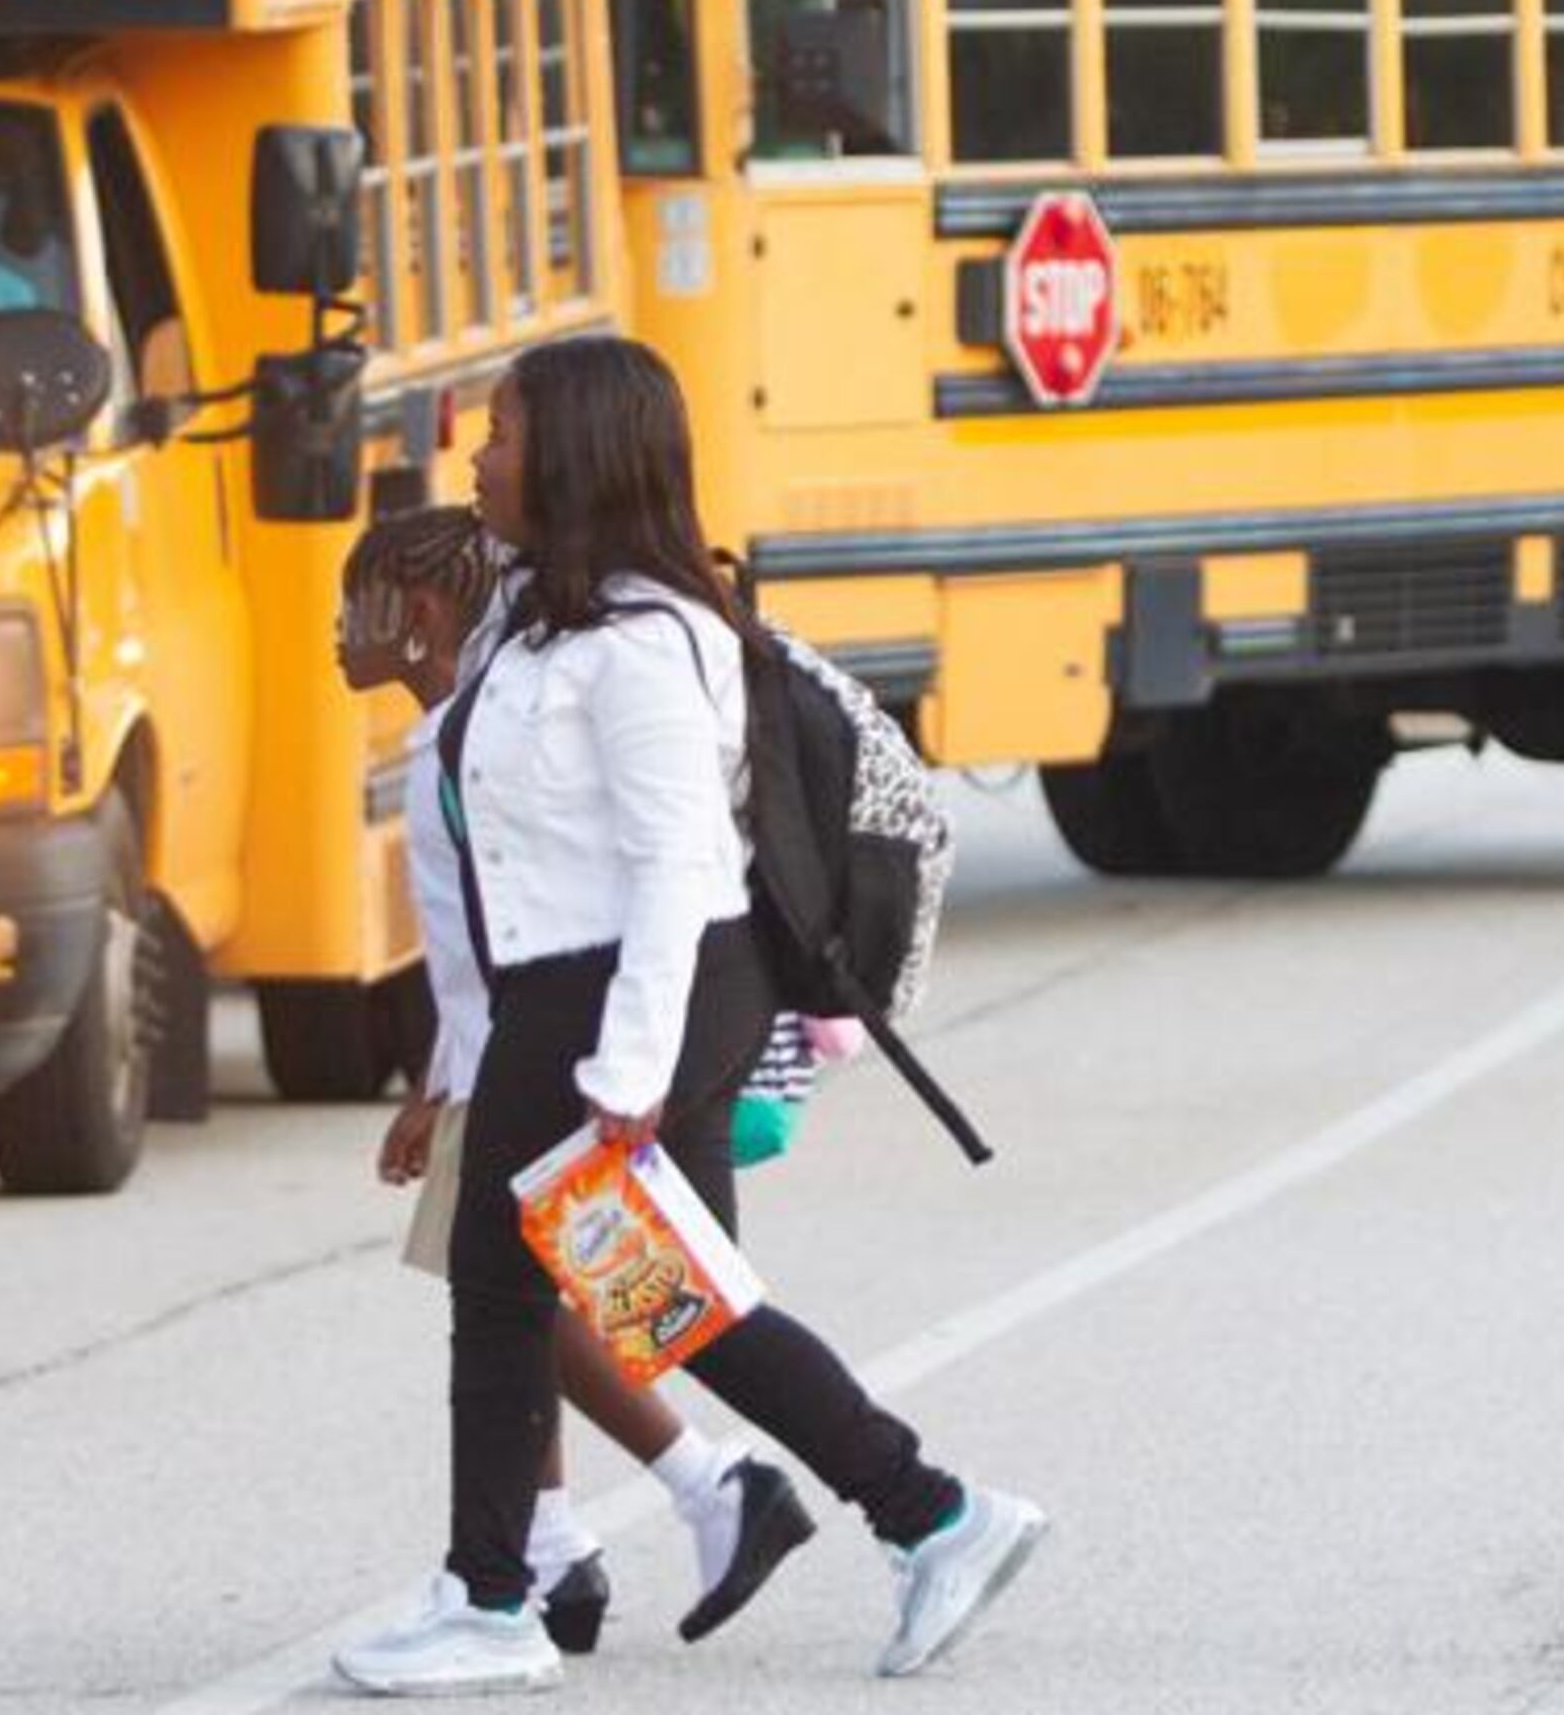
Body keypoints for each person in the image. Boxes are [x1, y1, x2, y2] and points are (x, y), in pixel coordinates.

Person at [332, 337, 1046, 1697]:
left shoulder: (646, 644)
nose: (477, 457)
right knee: (660, 1302)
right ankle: (924, 1516)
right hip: (575, 986)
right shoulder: (550, 624)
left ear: (577, 458)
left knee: (529, 1291)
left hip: (629, 989)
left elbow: (677, 861)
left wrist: (630, 1061)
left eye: (502, 433)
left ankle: (497, 1601)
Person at [331, 507, 808, 1661]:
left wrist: (472, 1085)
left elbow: (492, 944)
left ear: (418, 617)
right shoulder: (466, 729)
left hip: (540, 1054)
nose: (337, 634)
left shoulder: (469, 738)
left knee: (616, 1293)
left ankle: (753, 1486)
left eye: (352, 608)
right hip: (507, 1053)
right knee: (519, 1294)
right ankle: (552, 1546)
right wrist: (440, 1083)